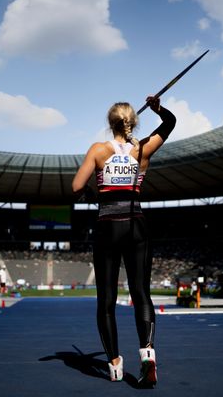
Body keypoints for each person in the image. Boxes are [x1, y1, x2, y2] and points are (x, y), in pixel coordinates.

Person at [72, 95, 176, 387]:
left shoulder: (98, 150)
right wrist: (159, 109)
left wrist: (96, 195)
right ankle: (148, 353)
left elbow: (76, 186)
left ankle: (115, 363)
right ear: (133, 122)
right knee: (141, 293)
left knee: (106, 300)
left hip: (107, 226)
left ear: (110, 123)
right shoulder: (143, 148)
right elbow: (170, 123)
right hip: (137, 225)